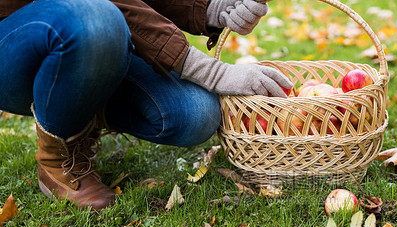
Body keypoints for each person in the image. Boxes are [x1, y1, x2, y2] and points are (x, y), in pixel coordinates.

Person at [0, 0, 292, 210]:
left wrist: (209, 8)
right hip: (20, 42)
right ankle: (56, 158)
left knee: (196, 113)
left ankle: (82, 99)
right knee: (95, 17)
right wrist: (210, 71)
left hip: (92, 30)